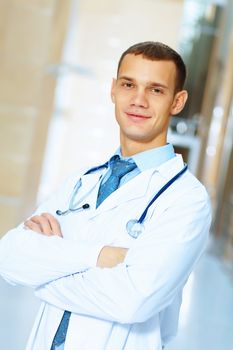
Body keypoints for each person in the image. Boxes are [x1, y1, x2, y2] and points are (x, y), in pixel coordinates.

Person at [0, 41, 211, 350]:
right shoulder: (82, 181)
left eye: (155, 90)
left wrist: (44, 271)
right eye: (128, 85)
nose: (138, 100)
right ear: (113, 90)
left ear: (177, 102)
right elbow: (10, 257)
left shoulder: (187, 199)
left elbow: (132, 301)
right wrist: (98, 256)